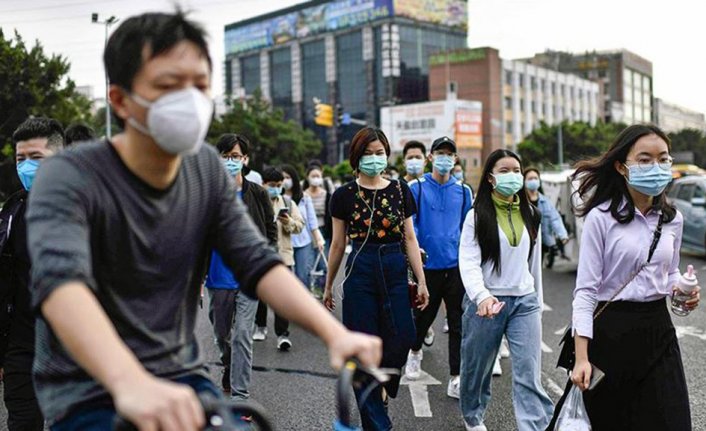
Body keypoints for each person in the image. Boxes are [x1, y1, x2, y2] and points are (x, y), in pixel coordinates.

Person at [24, 11, 381, 430]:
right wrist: (130, 382)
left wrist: (334, 333)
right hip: (90, 392)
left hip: (182, 377)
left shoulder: (204, 170)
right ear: (120, 101)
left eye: (198, 85)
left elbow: (258, 262)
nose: (188, 100)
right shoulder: (69, 176)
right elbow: (62, 287)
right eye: (167, 86)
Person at [548, 124, 699, 430]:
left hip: (659, 331)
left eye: (663, 159)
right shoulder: (601, 217)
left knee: (673, 421)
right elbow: (586, 292)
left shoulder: (673, 219)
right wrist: (581, 358)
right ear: (621, 166)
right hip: (611, 334)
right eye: (644, 160)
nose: (655, 167)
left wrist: (682, 290)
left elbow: (668, 273)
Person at [324, 127, 429, 431]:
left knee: (404, 336)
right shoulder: (343, 195)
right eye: (367, 153)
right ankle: (379, 425)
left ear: (387, 154)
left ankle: (381, 388)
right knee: (360, 347)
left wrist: (421, 281)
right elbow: (338, 244)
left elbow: (410, 237)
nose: (374, 158)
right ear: (356, 158)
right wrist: (329, 285)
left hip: (395, 265)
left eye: (379, 152)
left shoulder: (400, 190)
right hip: (361, 268)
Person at [458, 149, 553, 431]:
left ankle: (535, 426)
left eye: (516, 170)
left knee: (528, 372)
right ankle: (473, 416)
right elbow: (468, 262)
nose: (513, 176)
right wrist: (482, 296)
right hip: (486, 303)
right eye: (504, 171)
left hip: (524, 301)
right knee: (477, 370)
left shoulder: (532, 214)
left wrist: (538, 301)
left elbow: (533, 264)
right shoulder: (476, 216)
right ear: (490, 178)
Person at [0, 117, 64, 431]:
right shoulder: (13, 213)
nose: (26, 167)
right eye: (20, 159)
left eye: (36, 158)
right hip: (23, 345)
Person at [205, 133, 277, 398]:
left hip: (249, 278)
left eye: (235, 156)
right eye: (225, 157)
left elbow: (270, 231)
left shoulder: (258, 193)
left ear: (245, 160)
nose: (230, 161)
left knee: (242, 336)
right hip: (217, 277)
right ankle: (228, 365)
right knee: (221, 337)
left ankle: (239, 397)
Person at [404, 136, 472, 401]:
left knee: (457, 324)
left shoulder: (464, 191)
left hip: (455, 268)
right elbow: (411, 226)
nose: (445, 158)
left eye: (450, 154)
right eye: (440, 153)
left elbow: (467, 229)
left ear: (455, 159)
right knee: (423, 318)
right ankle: (415, 351)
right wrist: (417, 254)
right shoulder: (416, 188)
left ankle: (456, 377)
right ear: (430, 157)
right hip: (427, 267)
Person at [254, 167, 304, 350]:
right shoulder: (256, 201)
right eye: (272, 185)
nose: (275, 189)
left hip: (284, 256)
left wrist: (288, 221)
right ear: (263, 184)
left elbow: (300, 226)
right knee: (260, 293)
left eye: (279, 185)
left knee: (282, 297)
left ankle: (282, 334)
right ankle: (260, 326)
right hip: (261, 254)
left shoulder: (288, 203)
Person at [281, 164, 325, 295]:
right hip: (284, 243)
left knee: (303, 276)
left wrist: (319, 239)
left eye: (288, 177)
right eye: (283, 178)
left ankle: (304, 307)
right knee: (285, 278)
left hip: (303, 242)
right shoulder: (278, 198)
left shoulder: (304, 198)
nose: (285, 181)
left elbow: (312, 221)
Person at [523, 168, 569, 268]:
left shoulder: (545, 201)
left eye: (535, 178)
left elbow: (555, 218)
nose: (533, 181)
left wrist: (563, 235)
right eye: (530, 178)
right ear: (524, 181)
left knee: (536, 270)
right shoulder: (520, 202)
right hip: (524, 243)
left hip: (541, 242)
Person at [303, 163, 333, 295]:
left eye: (318, 176)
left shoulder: (327, 195)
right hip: (307, 234)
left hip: (323, 232)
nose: (315, 178)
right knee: (307, 264)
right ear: (307, 177)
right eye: (313, 176)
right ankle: (308, 293)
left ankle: (322, 291)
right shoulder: (303, 195)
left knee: (323, 263)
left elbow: (330, 217)